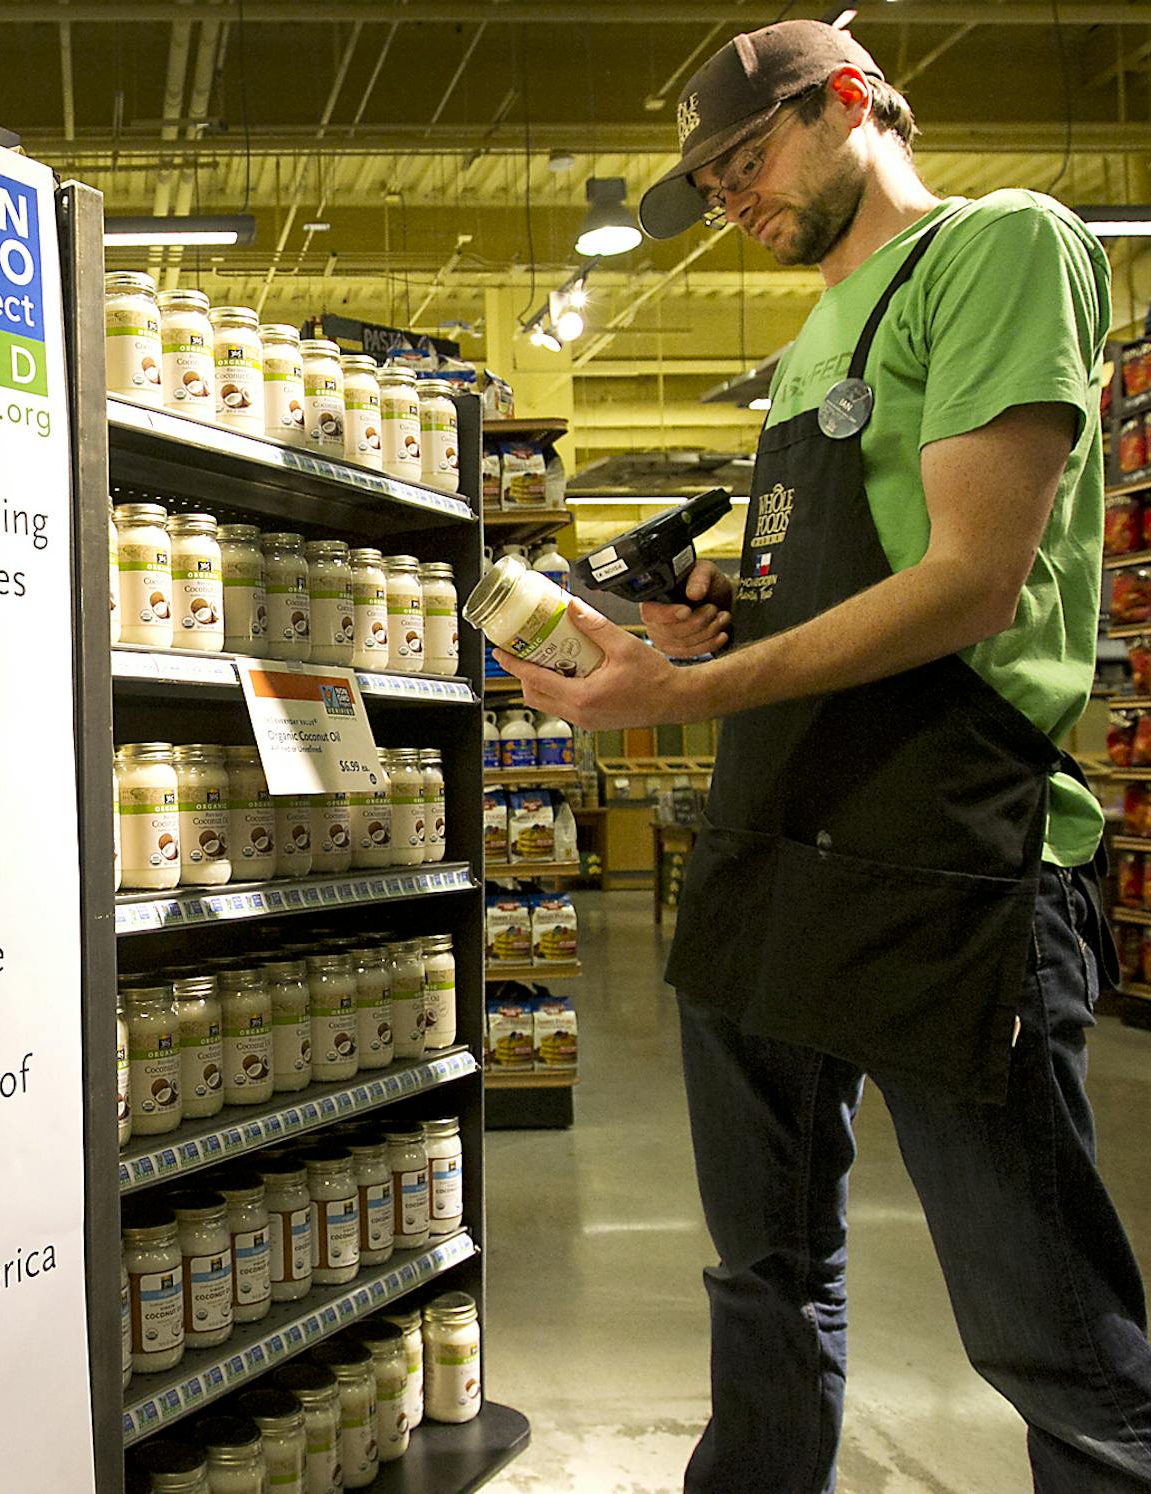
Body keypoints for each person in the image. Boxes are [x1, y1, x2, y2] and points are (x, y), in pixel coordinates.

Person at [497, 19, 1151, 1493]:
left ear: (853, 101)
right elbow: (856, 570)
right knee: (763, 1274)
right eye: (709, 182)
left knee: (1045, 1330)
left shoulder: (1000, 249)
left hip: (952, 855)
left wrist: (690, 689)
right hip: (778, 835)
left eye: (749, 156)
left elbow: (976, 577)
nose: (730, 197)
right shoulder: (803, 344)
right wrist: (734, 604)